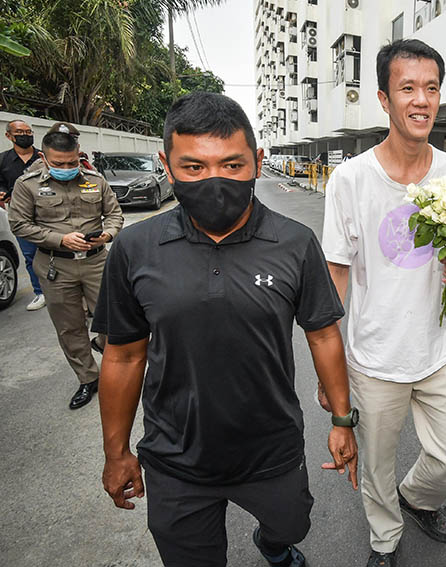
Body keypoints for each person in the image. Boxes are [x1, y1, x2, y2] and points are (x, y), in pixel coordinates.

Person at [91, 92, 358, 567]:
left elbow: (322, 333)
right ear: (167, 166)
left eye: (232, 165)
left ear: (257, 160)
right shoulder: (135, 247)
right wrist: (116, 452)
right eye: (193, 167)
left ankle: (272, 544)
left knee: (292, 526)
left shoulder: (295, 243)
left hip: (271, 447)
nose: (214, 180)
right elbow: (124, 356)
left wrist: (342, 421)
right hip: (175, 456)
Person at [322, 39, 446, 567]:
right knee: (377, 466)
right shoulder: (350, 179)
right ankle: (384, 540)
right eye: (408, 88)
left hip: (440, 348)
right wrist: (331, 368)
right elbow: (337, 273)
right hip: (375, 356)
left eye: (431, 88)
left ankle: (419, 498)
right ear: (384, 99)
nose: (422, 100)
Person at [8, 131, 123, 409]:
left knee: (114, 321)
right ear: (44, 157)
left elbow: (114, 215)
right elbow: (19, 224)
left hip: (96, 262)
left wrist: (107, 235)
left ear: (78, 154)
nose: (66, 168)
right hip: (55, 265)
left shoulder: (95, 181)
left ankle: (113, 364)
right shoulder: (27, 185)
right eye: (58, 164)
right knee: (69, 327)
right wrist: (60, 239)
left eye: (72, 162)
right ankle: (88, 378)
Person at [0, 119, 45, 310]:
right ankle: (40, 292)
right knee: (31, 255)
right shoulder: (3, 160)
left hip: (48, 212)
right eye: (20, 132)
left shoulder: (43, 157)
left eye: (28, 132)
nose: (25, 136)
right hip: (21, 215)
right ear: (9, 136)